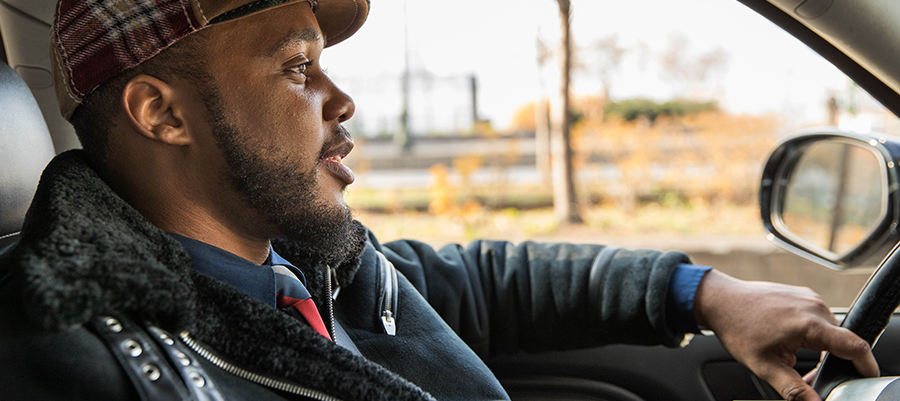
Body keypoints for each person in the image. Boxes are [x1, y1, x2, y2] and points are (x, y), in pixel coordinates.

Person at [0, 0, 879, 400]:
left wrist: (705, 293)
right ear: (162, 114)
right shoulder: (80, 358)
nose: (342, 100)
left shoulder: (314, 266)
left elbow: (487, 279)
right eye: (299, 67)